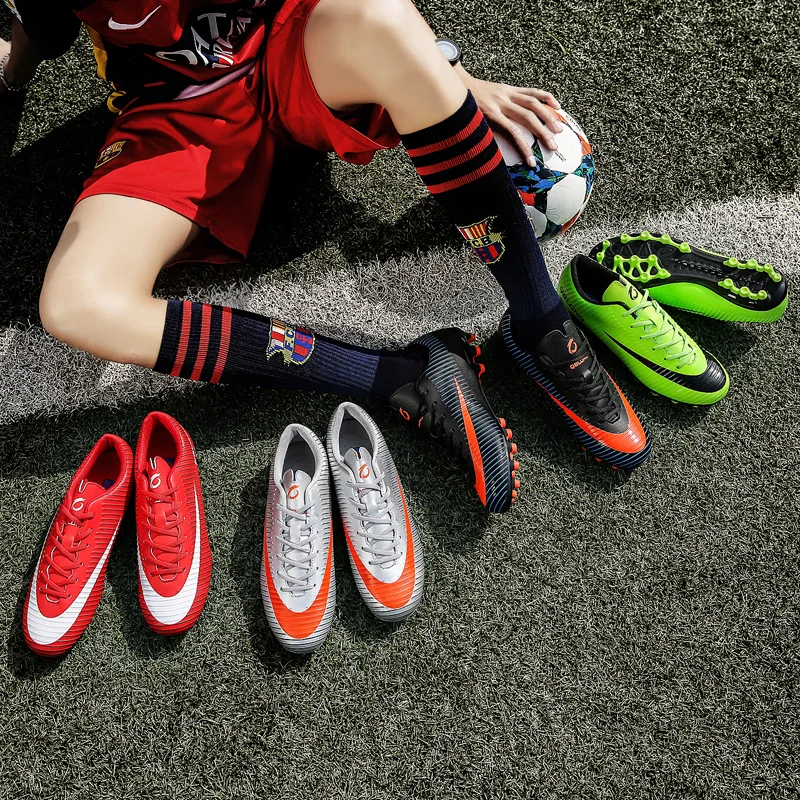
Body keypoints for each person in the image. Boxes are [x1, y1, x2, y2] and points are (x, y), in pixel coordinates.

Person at [0, 0, 649, 514]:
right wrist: (10, 66)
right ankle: (406, 376)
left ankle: (541, 323)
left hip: (287, 47)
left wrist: (447, 73)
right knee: (80, 304)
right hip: (176, 113)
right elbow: (32, 32)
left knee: (382, 20)